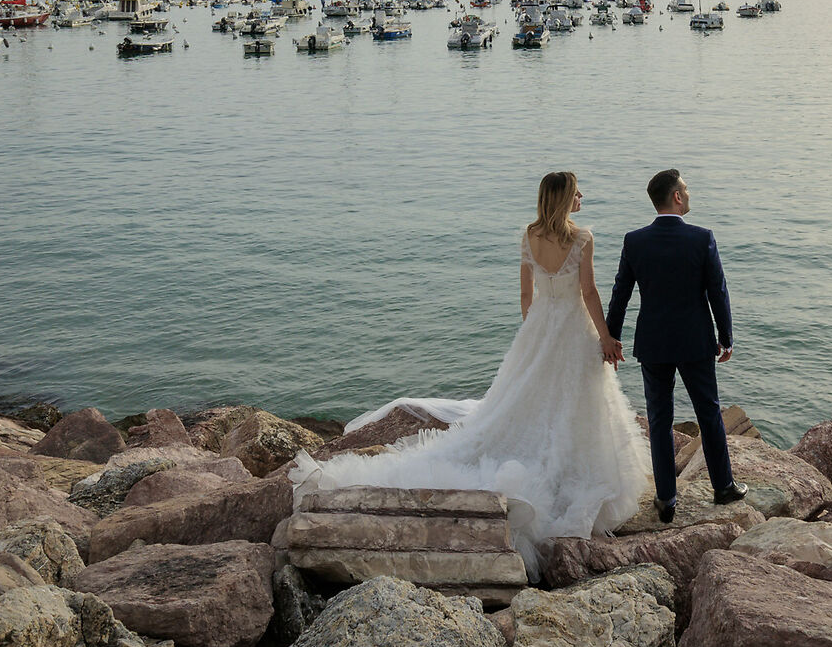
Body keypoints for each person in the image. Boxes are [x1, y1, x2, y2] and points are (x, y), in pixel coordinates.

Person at [288, 171, 649, 569]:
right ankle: (567, 468)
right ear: (564, 199)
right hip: (572, 328)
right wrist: (605, 337)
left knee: (525, 396)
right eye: (577, 192)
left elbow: (526, 295)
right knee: (577, 399)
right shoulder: (582, 239)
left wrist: (534, 336)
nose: (582, 196)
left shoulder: (529, 236)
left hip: (538, 328)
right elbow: (589, 292)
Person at [606, 168, 748, 520]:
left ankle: (666, 500)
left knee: (659, 418)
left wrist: (612, 336)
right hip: (695, 341)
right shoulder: (702, 238)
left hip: (653, 342)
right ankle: (723, 487)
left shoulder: (635, 241)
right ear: (677, 197)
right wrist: (726, 336)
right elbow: (718, 291)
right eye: (686, 188)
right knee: (708, 413)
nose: (689, 192)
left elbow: (620, 294)